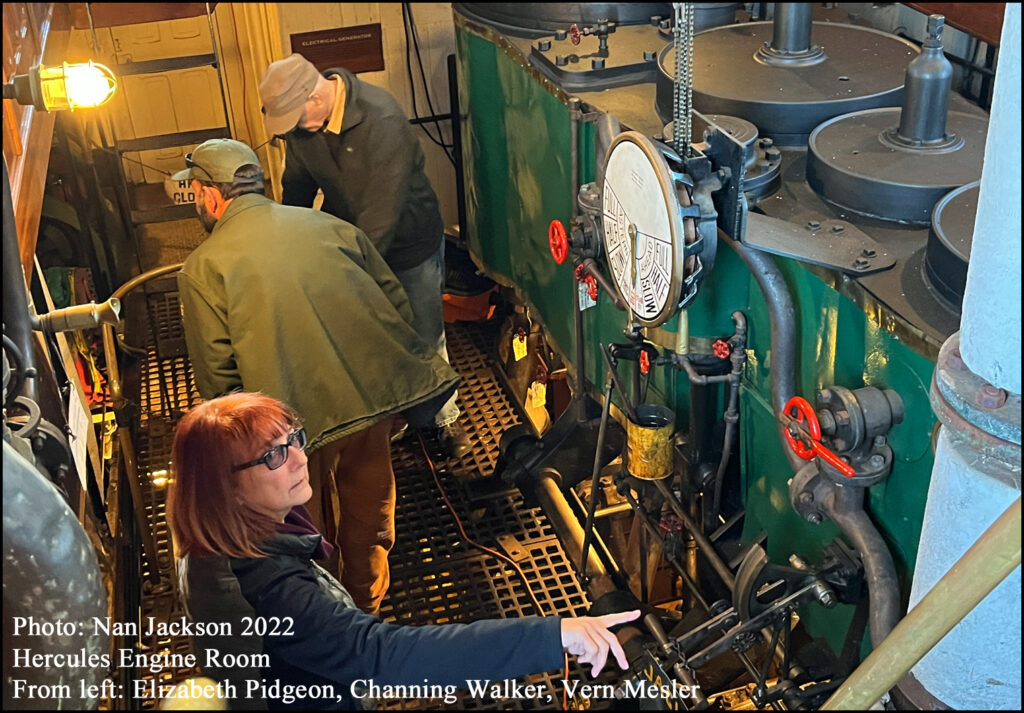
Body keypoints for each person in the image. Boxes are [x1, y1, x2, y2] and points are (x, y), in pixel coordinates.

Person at [169, 392, 641, 710]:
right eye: (274, 455)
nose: (300, 457)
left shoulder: (212, 537)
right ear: (226, 488)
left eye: (293, 439)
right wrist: (553, 635)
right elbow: (381, 655)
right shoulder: (273, 590)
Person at [173, 138, 459, 616]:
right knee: (370, 517)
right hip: (368, 404)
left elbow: (219, 384)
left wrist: (237, 456)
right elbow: (395, 303)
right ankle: (367, 610)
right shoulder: (330, 225)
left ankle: (327, 619)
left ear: (209, 195)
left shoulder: (202, 269)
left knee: (307, 528)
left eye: (196, 192)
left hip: (289, 433)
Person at [257, 52, 472, 460]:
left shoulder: (382, 119)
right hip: (351, 242)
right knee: (375, 337)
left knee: (423, 333)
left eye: (292, 121)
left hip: (407, 244)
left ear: (314, 98)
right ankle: (403, 413)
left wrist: (350, 280)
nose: (292, 133)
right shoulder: (303, 130)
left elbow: (382, 214)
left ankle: (445, 418)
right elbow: (298, 186)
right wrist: (288, 246)